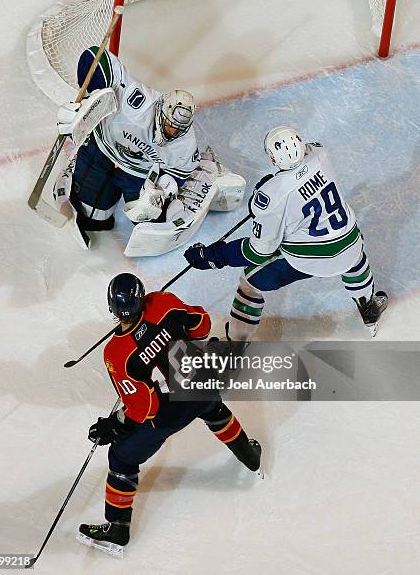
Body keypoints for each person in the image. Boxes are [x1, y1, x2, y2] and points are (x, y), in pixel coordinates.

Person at [76, 273, 261, 558]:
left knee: (122, 458)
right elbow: (202, 325)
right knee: (214, 409)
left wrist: (115, 425)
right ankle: (249, 456)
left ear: (112, 308)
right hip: (201, 384)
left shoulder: (117, 353)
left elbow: (142, 409)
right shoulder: (163, 303)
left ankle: (117, 528)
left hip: (167, 415)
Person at [184, 126, 388, 338]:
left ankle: (235, 345)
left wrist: (216, 256)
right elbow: (305, 159)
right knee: (352, 253)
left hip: (309, 259)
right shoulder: (320, 154)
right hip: (351, 244)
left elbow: (258, 252)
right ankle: (368, 309)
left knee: (249, 283)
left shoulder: (272, 196)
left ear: (272, 159)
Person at [54, 46, 245, 252]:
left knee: (148, 219)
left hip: (139, 171)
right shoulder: (137, 102)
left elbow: (177, 174)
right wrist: (86, 103)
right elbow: (95, 57)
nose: (171, 132)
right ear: (161, 109)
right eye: (169, 125)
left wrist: (162, 188)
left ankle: (207, 170)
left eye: (177, 129)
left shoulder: (184, 142)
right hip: (103, 149)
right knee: (94, 218)